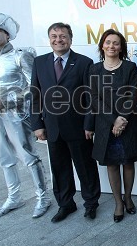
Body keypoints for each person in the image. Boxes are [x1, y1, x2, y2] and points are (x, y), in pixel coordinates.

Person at [0, 11, 51, 219]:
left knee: (28, 156)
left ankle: (42, 197)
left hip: (18, 115)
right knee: (4, 158)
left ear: (7, 34)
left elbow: (33, 88)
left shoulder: (21, 55)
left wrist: (7, 101)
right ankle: (14, 197)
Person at [31, 22, 101, 223]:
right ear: (49, 39)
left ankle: (90, 204)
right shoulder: (40, 62)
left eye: (62, 36)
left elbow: (90, 97)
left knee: (85, 167)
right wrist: (37, 124)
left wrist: (89, 124)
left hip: (78, 127)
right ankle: (65, 204)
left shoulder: (84, 62)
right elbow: (35, 94)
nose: (58, 40)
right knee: (59, 169)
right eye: (54, 36)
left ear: (70, 39)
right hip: (52, 127)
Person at [90, 29, 137, 223]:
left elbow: (132, 94)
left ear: (121, 47)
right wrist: (113, 120)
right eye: (108, 42)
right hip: (106, 126)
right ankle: (118, 202)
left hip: (128, 124)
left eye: (116, 43)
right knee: (112, 164)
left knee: (128, 162)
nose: (111, 46)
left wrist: (122, 118)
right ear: (102, 45)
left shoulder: (130, 67)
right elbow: (94, 99)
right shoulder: (94, 69)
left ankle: (128, 198)